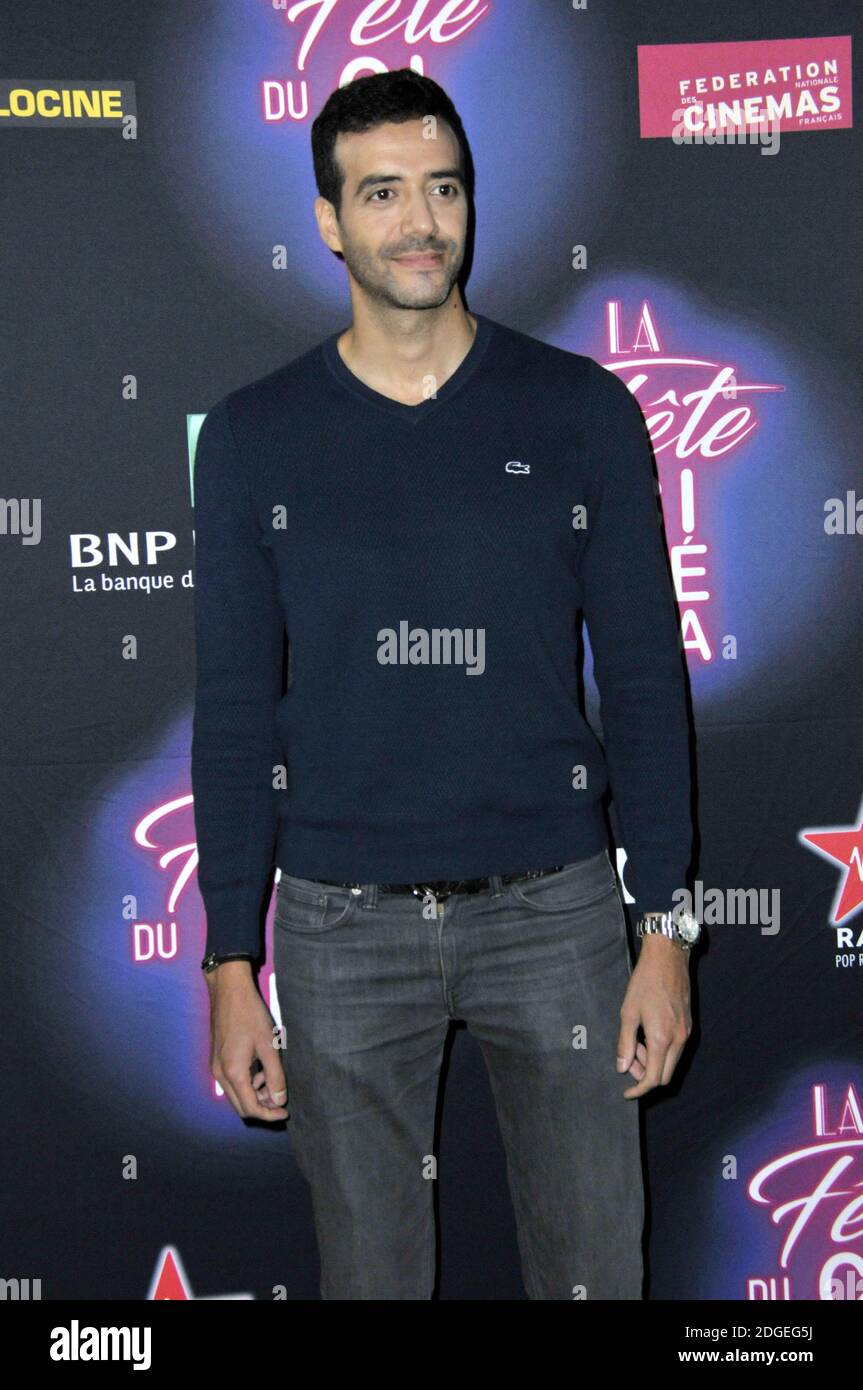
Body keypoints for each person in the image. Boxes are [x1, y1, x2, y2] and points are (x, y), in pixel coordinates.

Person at [191, 68, 696, 1301]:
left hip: (559, 917)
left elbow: (639, 677)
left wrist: (666, 929)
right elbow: (233, 705)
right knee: (370, 1280)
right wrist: (225, 961)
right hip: (336, 925)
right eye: (380, 194)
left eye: (441, 188)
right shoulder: (255, 437)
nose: (418, 221)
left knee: (592, 1268)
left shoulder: (580, 411)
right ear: (327, 220)